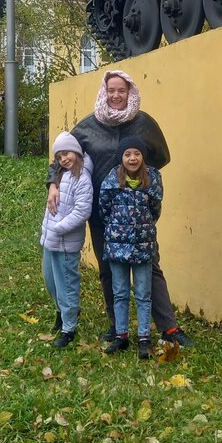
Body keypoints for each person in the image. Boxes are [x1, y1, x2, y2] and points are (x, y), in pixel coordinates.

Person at [47, 68, 192, 347]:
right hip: (101, 214)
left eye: (121, 90)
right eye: (111, 90)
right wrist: (53, 183)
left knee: (150, 267)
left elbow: (161, 157)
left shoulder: (144, 124)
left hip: (137, 216)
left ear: (129, 92)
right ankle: (118, 327)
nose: (116, 95)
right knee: (108, 269)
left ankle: (169, 328)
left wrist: (139, 184)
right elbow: (62, 159)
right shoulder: (87, 127)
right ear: (104, 92)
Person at [99, 137, 163, 359]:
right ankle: (121, 336)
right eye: (127, 154)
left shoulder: (152, 180)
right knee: (120, 292)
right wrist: (118, 230)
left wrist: (141, 229)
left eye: (137, 153)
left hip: (143, 246)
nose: (132, 158)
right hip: (117, 247)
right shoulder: (111, 180)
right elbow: (104, 209)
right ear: (121, 158)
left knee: (143, 294)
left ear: (143, 156)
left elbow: (155, 210)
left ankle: (144, 338)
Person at [40, 132, 93, 349]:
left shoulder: (83, 178)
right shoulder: (60, 175)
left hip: (65, 242)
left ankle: (69, 328)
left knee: (67, 286)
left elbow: (82, 211)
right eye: (59, 156)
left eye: (67, 153)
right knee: (50, 281)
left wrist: (58, 228)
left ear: (77, 152)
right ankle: (61, 312)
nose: (64, 159)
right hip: (50, 240)